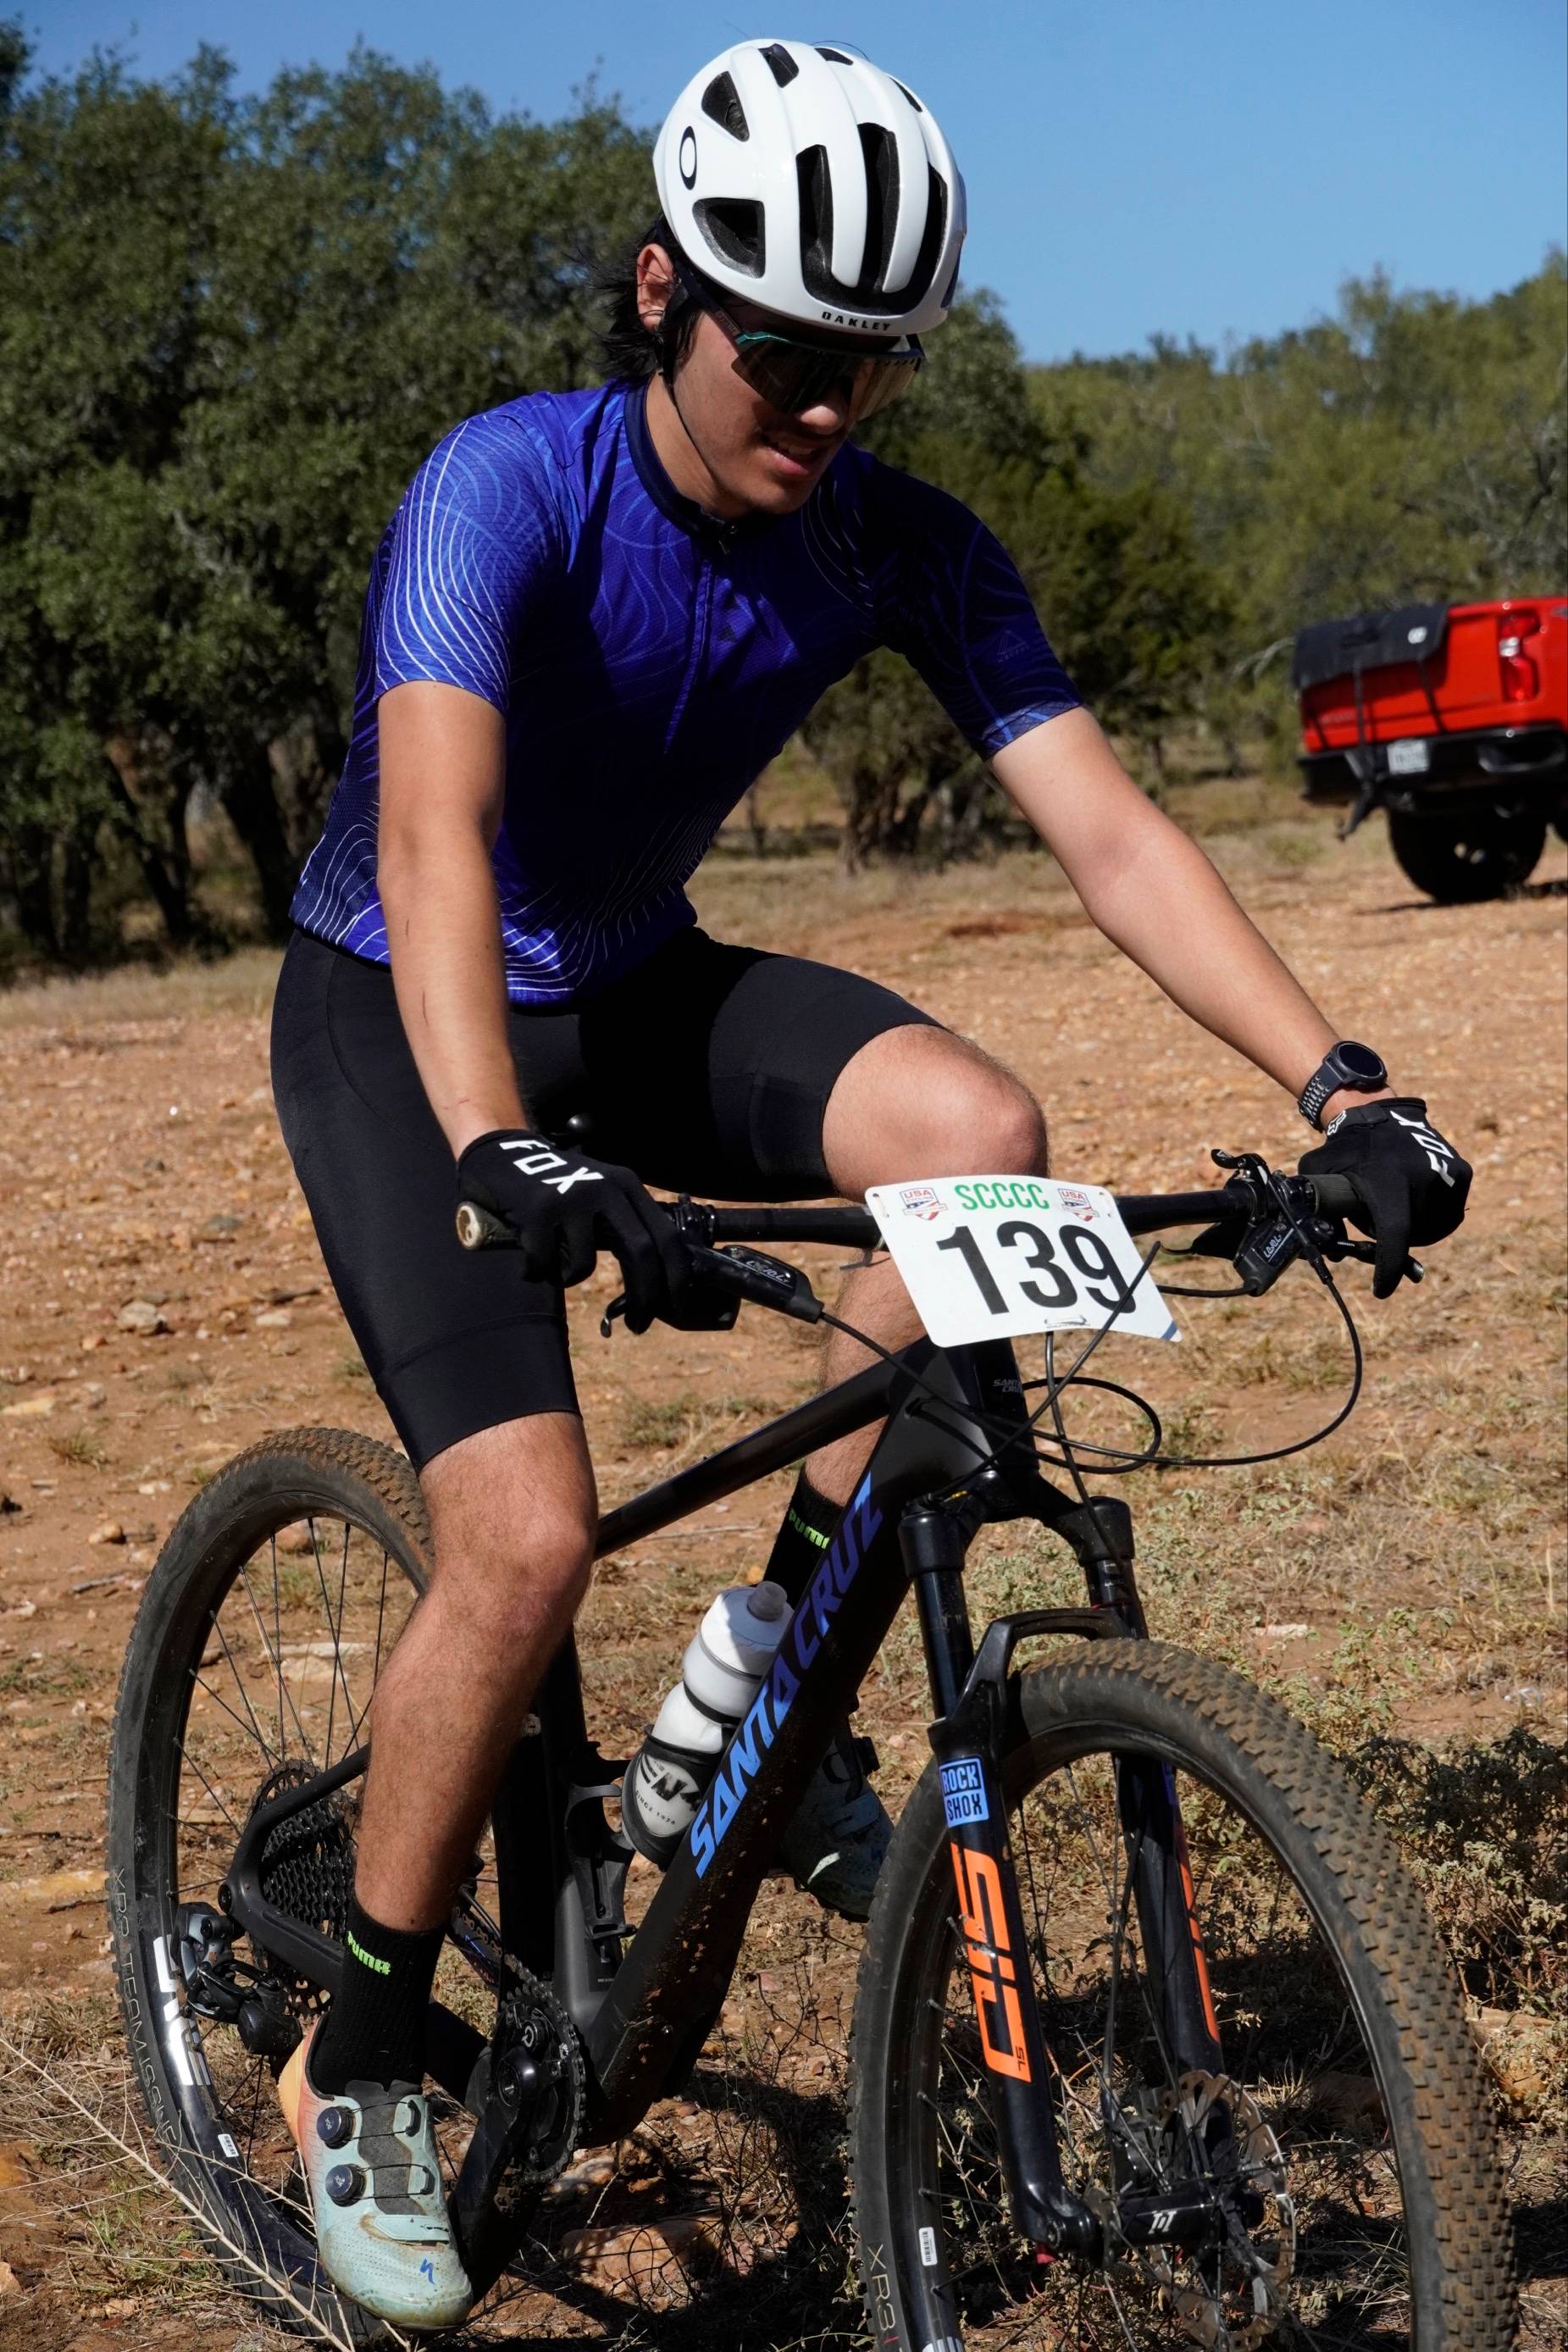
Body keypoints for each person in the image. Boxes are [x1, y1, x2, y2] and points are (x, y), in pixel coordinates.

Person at [269, 36, 1471, 2326]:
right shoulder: (501, 491)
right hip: (395, 1009)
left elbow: (1108, 830)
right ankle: (358, 2044)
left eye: (870, 368)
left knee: (974, 1138)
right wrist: (490, 1144)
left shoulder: (892, 543)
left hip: (628, 992)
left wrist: (1344, 1081)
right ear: (658, 295)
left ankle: (749, 1680)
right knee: (518, 1533)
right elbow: (430, 841)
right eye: (781, 354)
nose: (822, 407)